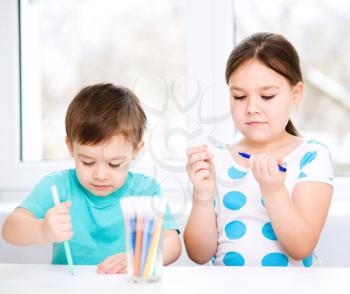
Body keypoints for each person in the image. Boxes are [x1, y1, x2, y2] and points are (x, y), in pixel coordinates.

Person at [184, 32, 333, 267]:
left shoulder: (311, 157)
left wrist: (273, 190)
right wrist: (202, 196)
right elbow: (199, 254)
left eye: (267, 96)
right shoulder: (217, 160)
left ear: (296, 93)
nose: (252, 107)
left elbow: (301, 246)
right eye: (239, 96)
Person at [2, 83, 181, 273]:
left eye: (114, 164)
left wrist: (141, 259)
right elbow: (10, 229)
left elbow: (172, 243)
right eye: (87, 162)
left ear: (136, 150)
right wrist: (42, 230)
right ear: (70, 146)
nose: (100, 175)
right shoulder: (58, 186)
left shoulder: (145, 191)